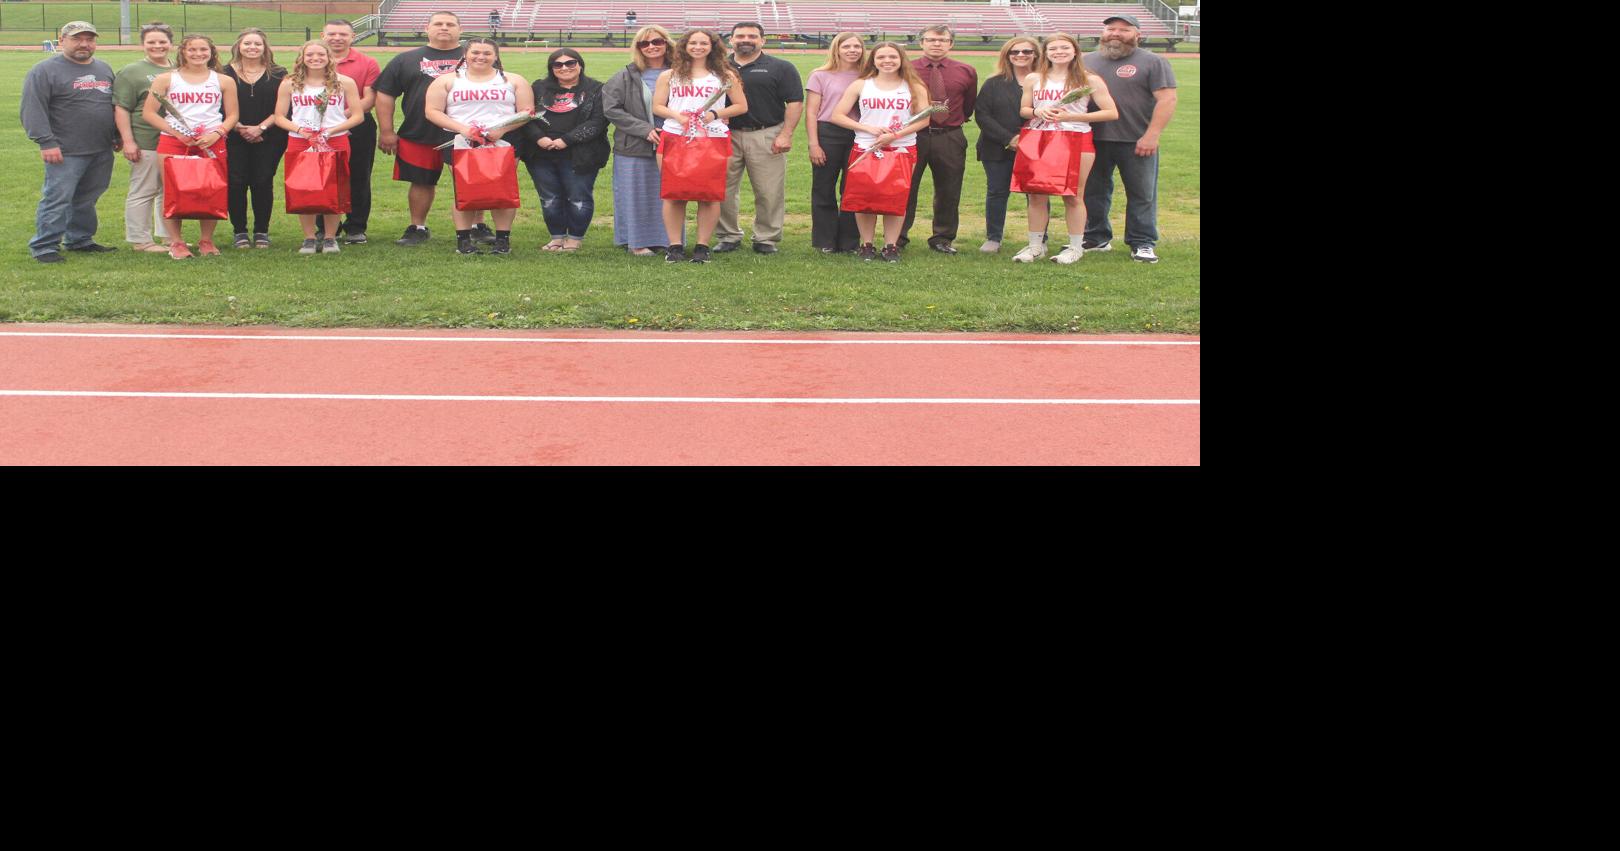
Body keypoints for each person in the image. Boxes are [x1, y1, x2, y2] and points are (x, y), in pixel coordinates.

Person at [375, 10, 490, 247]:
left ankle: (477, 225)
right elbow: (385, 93)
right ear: (427, 28)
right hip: (420, 131)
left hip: (467, 132)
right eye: (438, 23)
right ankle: (417, 227)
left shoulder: (477, 56)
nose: (444, 28)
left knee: (473, 180)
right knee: (421, 180)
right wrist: (386, 130)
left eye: (450, 24)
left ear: (460, 29)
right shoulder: (405, 59)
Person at [1012, 33, 1117, 265]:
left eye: (1064, 48)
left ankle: (1075, 247)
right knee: (1036, 194)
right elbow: (1024, 110)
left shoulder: (1089, 79)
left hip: (1076, 138)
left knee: (1073, 195)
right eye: (1053, 48)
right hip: (1040, 137)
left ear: (1075, 51)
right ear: (1045, 53)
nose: (1059, 52)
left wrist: (1072, 116)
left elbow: (1111, 112)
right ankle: (1035, 246)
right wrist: (1037, 111)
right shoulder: (1033, 78)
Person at [424, 38, 534, 255]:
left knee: (502, 190)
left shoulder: (513, 80)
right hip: (461, 140)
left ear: (496, 56)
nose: (480, 57)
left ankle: (503, 240)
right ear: (465, 54)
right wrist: (463, 129)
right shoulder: (447, 80)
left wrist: (502, 129)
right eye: (475, 52)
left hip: (503, 139)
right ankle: (464, 240)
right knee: (465, 189)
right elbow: (432, 111)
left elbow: (527, 111)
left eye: (487, 53)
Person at [1082, 13, 1178, 263]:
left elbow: (1167, 99)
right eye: (1110, 29)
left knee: (1141, 193)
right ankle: (1096, 237)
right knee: (1093, 191)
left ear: (1138, 34)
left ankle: (1142, 242)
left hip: (1136, 140)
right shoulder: (1085, 61)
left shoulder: (1153, 62)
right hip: (1092, 138)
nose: (1115, 34)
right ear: (1103, 33)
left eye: (1124, 30)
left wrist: (1152, 135)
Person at [23, 21, 119, 263]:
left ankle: (79, 239)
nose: (84, 44)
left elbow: (112, 106)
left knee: (87, 197)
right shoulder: (44, 70)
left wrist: (117, 135)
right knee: (57, 198)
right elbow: (32, 109)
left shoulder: (103, 68)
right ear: (62, 40)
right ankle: (44, 246)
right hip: (65, 150)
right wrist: (46, 142)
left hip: (101, 147)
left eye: (89, 39)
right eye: (77, 39)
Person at [830, 41, 932, 263]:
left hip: (902, 148)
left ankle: (890, 245)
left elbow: (924, 120)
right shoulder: (861, 85)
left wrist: (895, 135)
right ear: (873, 60)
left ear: (901, 59)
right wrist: (868, 128)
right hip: (866, 147)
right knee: (865, 198)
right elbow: (837, 115)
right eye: (881, 57)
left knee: (896, 197)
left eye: (892, 57)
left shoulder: (914, 86)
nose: (887, 61)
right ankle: (866, 244)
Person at [652, 29, 748, 263]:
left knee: (709, 195)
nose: (698, 47)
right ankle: (675, 246)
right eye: (693, 42)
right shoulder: (669, 75)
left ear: (712, 46)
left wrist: (714, 114)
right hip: (675, 136)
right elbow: (658, 106)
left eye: (703, 43)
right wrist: (678, 116)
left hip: (712, 138)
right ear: (684, 46)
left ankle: (702, 246)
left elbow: (741, 106)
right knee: (674, 195)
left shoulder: (725, 75)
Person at [142, 33, 240, 260]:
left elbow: (233, 115)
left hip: (211, 141)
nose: (198, 54)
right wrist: (176, 132)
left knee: (211, 190)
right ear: (183, 52)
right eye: (192, 50)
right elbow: (149, 112)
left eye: (203, 49)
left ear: (211, 52)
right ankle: (176, 242)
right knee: (173, 191)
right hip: (174, 141)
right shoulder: (166, 79)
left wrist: (217, 133)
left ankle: (206, 240)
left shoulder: (223, 80)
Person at [712, 22, 803, 255]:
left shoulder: (781, 67)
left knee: (769, 190)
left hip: (766, 133)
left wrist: (786, 134)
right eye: (740, 36)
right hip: (724, 135)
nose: (746, 40)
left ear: (762, 40)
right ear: (731, 40)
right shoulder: (717, 66)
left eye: (752, 36)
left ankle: (766, 237)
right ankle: (728, 235)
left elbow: (795, 102)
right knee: (723, 189)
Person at [272, 40, 363, 255]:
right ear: (302, 58)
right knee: (304, 188)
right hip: (301, 141)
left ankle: (330, 237)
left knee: (335, 188)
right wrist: (300, 130)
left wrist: (331, 130)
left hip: (335, 140)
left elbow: (358, 116)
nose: (315, 58)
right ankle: (309, 238)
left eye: (321, 54)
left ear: (329, 57)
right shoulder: (290, 83)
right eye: (310, 55)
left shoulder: (344, 82)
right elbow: (279, 116)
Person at [898, 24, 976, 255]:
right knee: (906, 187)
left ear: (951, 44)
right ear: (921, 42)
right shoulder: (906, 69)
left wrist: (952, 121)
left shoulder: (966, 70)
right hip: (913, 135)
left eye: (942, 40)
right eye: (931, 40)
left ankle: (942, 237)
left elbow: (969, 105)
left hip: (949, 135)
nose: (937, 44)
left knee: (949, 189)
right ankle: (898, 236)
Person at [522, 48, 609, 252]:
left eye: (570, 63)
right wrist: (539, 138)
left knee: (578, 197)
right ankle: (557, 237)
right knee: (549, 198)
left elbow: (598, 121)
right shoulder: (538, 87)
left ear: (580, 65)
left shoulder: (596, 89)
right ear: (551, 68)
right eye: (558, 64)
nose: (564, 68)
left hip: (581, 154)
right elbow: (525, 115)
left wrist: (566, 140)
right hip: (540, 153)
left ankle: (575, 239)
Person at [603, 24, 673, 256]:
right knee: (634, 194)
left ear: (667, 43)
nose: (651, 47)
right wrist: (643, 129)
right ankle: (636, 242)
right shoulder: (626, 75)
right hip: (634, 145)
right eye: (645, 43)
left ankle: (667, 240)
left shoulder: (681, 72)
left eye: (657, 42)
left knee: (667, 194)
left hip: (673, 143)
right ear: (638, 48)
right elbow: (611, 109)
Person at [221, 28, 287, 249]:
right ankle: (239, 231)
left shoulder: (278, 73)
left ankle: (261, 231)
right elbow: (218, 105)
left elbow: (283, 107)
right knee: (235, 182)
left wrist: (260, 128)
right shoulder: (224, 73)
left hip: (270, 136)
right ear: (238, 46)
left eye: (257, 44)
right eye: (247, 43)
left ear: (264, 47)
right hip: (232, 135)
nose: (252, 47)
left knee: (263, 181)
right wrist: (239, 127)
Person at [113, 22, 175, 254]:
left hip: (174, 141)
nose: (157, 46)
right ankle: (140, 240)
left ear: (171, 43)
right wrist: (128, 141)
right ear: (143, 44)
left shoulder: (179, 68)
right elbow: (122, 108)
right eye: (151, 42)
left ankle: (168, 236)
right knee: (144, 189)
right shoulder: (132, 71)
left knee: (168, 191)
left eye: (162, 41)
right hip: (146, 139)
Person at [973, 36, 1037, 254]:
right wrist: (1009, 139)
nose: (1021, 55)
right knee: (997, 192)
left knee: (1037, 194)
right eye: (1015, 52)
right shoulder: (994, 83)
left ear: (1036, 54)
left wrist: (1028, 140)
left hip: (1037, 147)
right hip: (997, 147)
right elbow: (982, 114)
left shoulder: (1046, 82)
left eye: (1027, 51)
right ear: (1007, 56)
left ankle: (1039, 238)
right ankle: (994, 237)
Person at [805, 31, 864, 254]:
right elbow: (811, 112)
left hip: (859, 134)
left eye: (856, 46)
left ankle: (849, 241)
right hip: (828, 133)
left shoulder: (869, 75)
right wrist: (814, 143)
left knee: (853, 188)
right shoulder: (820, 75)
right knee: (824, 187)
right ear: (836, 49)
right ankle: (826, 240)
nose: (852, 50)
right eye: (846, 46)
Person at [323, 19, 381, 244]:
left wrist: (340, 117)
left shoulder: (367, 62)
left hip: (358, 126)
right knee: (323, 177)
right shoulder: (313, 61)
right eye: (332, 34)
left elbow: (369, 98)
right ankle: (325, 228)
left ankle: (356, 227)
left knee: (358, 176)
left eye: (343, 34)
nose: (337, 38)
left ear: (352, 37)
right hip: (320, 129)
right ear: (323, 35)